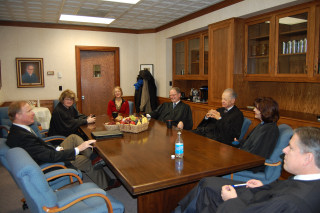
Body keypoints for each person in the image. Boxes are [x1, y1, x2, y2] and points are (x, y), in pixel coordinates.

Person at [175, 126, 320, 213]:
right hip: (259, 197)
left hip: (242, 207)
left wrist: (231, 201)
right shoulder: (308, 179)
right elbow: (281, 191)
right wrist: (264, 187)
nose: (284, 150)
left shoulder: (293, 202)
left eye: (291, 148)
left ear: (308, 158)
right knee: (207, 183)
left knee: (208, 190)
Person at [6, 101, 121, 191]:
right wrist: (77, 149)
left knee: (73, 137)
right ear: (18, 115)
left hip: (50, 152)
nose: (33, 112)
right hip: (51, 162)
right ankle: (106, 183)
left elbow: (39, 147)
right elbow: (49, 156)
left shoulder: (19, 129)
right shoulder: (22, 137)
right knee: (85, 160)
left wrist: (55, 147)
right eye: (29, 110)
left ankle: (94, 158)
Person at [232, 97, 280, 173]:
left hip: (251, 165)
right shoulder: (263, 125)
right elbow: (250, 141)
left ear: (265, 111)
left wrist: (237, 154)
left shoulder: (269, 130)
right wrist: (239, 142)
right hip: (245, 157)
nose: (254, 110)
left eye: (257, 108)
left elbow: (256, 154)